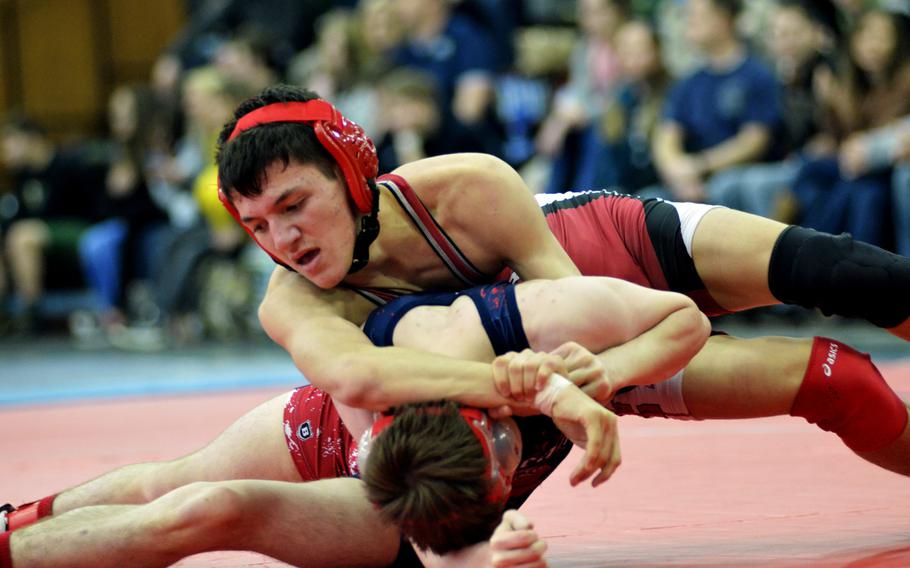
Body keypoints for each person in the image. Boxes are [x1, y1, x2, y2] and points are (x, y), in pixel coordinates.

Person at [210, 84, 909, 450]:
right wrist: (573, 385)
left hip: (606, 252)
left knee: (855, 273)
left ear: (352, 172)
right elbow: (355, 375)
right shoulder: (293, 301)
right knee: (839, 382)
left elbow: (584, 298)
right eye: (257, 225)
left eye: (294, 203)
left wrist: (554, 380)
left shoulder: (462, 188)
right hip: (581, 361)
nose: (283, 237)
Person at [3, 274, 712, 567]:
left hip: (411, 495)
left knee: (207, 508)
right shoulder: (429, 364)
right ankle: (14, 531)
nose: (510, 447)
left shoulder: (511, 333)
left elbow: (686, 318)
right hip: (338, 443)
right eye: (502, 440)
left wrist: (609, 373)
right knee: (176, 487)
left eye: (502, 455)